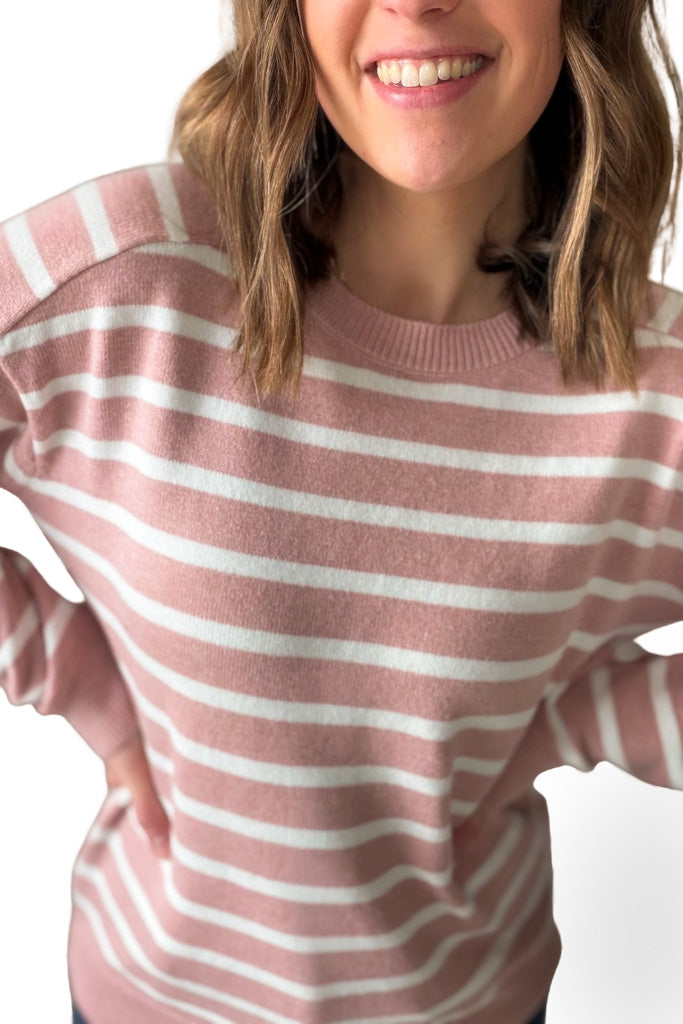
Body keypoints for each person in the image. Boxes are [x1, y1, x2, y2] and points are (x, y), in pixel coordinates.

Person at [1, 0, 682, 1021]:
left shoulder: (657, 398)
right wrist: (76, 673)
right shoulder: (119, 280)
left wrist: (582, 721)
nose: (415, 3)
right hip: (142, 993)